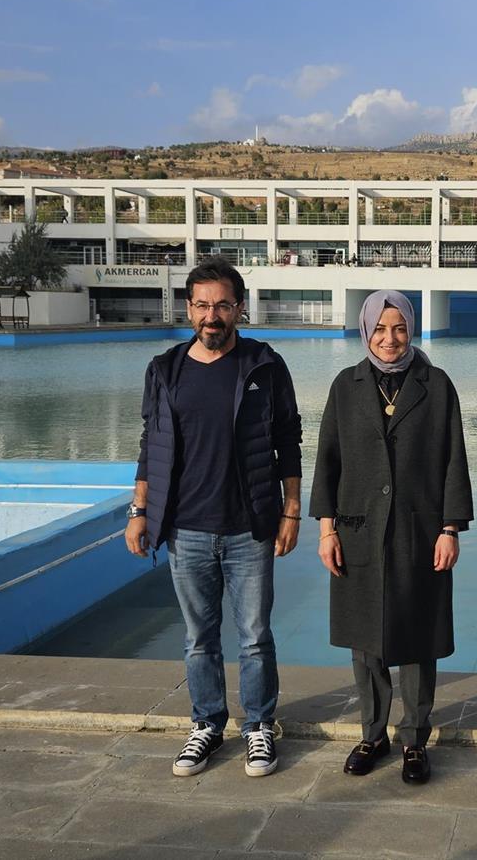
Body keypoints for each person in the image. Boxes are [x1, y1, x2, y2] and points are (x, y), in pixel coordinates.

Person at [125, 256, 303, 780]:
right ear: (189, 308)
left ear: (238, 308)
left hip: (250, 527)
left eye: (222, 305)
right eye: (202, 305)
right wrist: (139, 510)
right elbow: (151, 444)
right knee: (199, 638)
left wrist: (292, 508)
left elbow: (288, 439)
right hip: (186, 528)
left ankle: (259, 727)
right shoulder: (165, 370)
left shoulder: (264, 365)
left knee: (255, 636)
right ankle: (206, 724)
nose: (212, 315)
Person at [310, 291, 472, 785]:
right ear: (365, 331)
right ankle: (373, 734)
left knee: (418, 638)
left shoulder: (436, 385)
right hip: (358, 530)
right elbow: (327, 459)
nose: (389, 338)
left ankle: (415, 738)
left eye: (399, 328)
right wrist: (326, 529)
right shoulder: (346, 385)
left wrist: (449, 529)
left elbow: (454, 459)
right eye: (380, 329)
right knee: (366, 641)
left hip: (420, 530)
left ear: (411, 329)